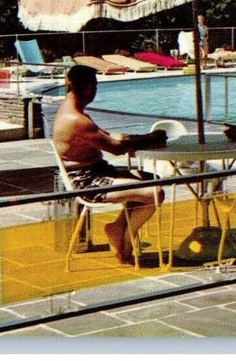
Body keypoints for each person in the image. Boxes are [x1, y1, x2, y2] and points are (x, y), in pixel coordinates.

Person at [53, 65, 167, 265]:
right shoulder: (76, 119)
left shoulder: (71, 111)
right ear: (89, 88)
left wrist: (142, 138)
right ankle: (125, 238)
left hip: (97, 171)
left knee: (149, 179)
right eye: (95, 87)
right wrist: (151, 138)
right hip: (87, 182)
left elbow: (109, 138)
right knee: (155, 193)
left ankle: (118, 229)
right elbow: (116, 148)